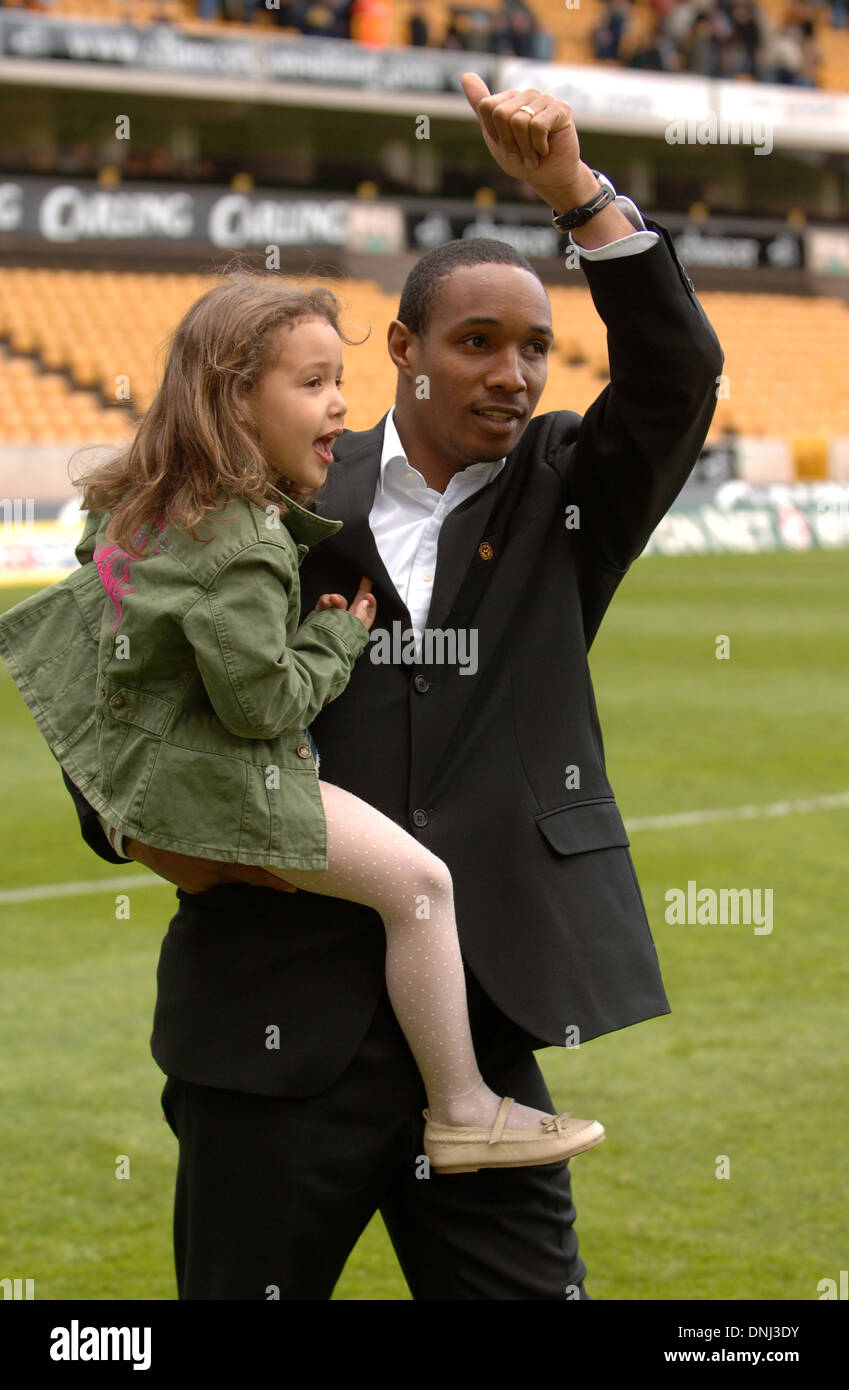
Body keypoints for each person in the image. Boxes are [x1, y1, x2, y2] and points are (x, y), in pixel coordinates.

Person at [6, 73, 723, 1299]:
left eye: (537, 350)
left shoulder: (570, 494)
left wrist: (575, 194)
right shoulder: (262, 483)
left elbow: (675, 377)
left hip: (478, 1038)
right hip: (269, 1031)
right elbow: (121, 671)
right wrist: (144, 834)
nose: (513, 374)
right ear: (403, 349)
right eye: (480, 343)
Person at [0, 276, 605, 1176]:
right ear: (236, 398)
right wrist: (335, 635)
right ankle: (465, 1110)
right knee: (422, 888)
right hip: (225, 793)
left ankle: (462, 1106)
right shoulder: (246, 539)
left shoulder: (151, 506)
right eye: (314, 383)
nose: (339, 404)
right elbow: (263, 706)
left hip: (160, 776)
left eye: (339, 382)